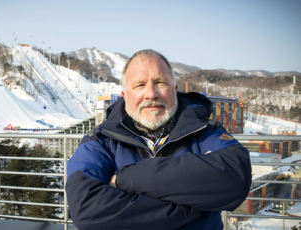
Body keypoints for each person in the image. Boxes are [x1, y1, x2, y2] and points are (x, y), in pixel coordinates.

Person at [66, 49, 252, 230]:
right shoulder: (100, 141)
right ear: (125, 95)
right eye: (139, 85)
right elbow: (85, 209)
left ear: (174, 89)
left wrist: (126, 178)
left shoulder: (205, 131)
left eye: (160, 83)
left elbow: (236, 175)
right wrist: (193, 206)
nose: (151, 94)